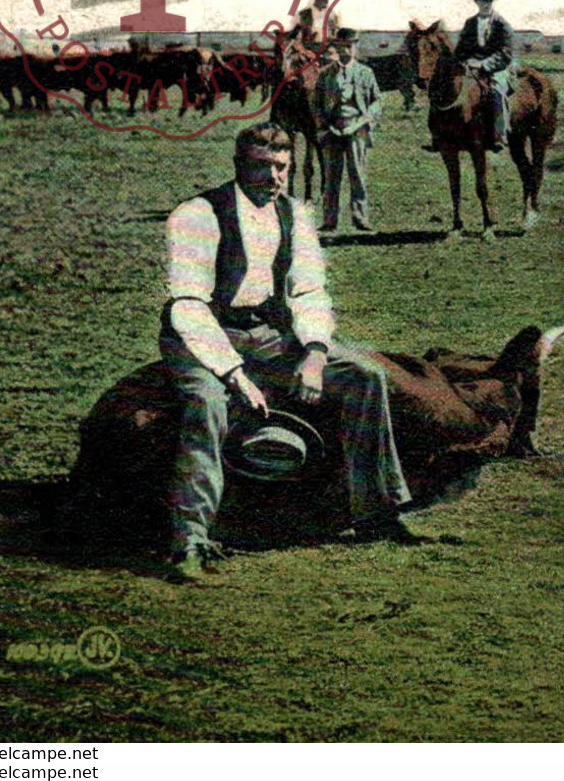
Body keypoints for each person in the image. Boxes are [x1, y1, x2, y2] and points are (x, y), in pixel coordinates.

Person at [161, 123, 419, 582]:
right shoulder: (197, 214)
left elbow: (309, 290)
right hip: (203, 334)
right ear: (239, 166)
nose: (273, 177)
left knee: (365, 377)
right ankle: (192, 539)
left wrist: (316, 353)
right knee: (205, 404)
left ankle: (377, 513)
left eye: (281, 167)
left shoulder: (294, 214)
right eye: (262, 166)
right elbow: (188, 306)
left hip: (267, 333)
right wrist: (236, 376)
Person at [316, 28, 383, 233]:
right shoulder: (326, 74)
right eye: (345, 45)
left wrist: (363, 122)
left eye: (352, 45)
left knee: (358, 176)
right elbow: (316, 104)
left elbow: (377, 102)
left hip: (357, 130)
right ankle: (329, 221)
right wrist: (323, 127)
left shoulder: (365, 72)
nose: (349, 49)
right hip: (333, 131)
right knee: (331, 178)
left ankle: (361, 219)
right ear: (336, 48)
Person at [437, 0, 513, 153]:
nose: (485, 4)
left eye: (488, 1)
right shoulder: (470, 23)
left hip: (497, 67)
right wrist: (463, 60)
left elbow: (506, 53)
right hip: (472, 66)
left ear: (493, 2)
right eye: (481, 0)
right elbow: (462, 48)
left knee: (496, 91)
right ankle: (444, 135)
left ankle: (500, 135)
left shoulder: (502, 24)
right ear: (476, 1)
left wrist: (484, 64)